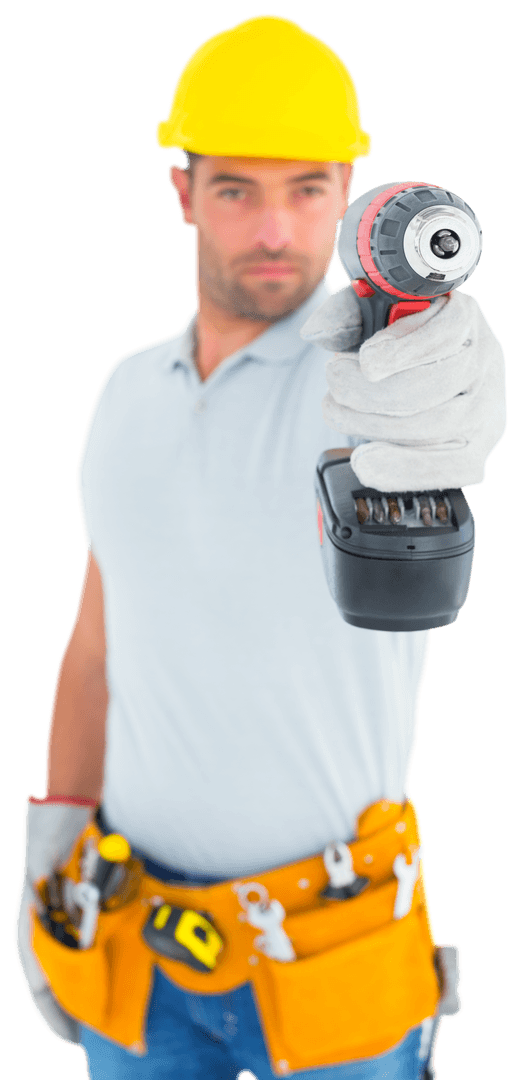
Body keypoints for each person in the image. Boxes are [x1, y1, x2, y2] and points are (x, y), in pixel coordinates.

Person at [14, 14, 507, 1080]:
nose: (276, 226)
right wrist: (47, 854)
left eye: (308, 186)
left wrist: (458, 367)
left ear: (348, 195)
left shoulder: (376, 381)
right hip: (136, 949)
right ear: (182, 192)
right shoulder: (122, 397)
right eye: (237, 187)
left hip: (341, 960)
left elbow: (441, 386)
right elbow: (97, 645)